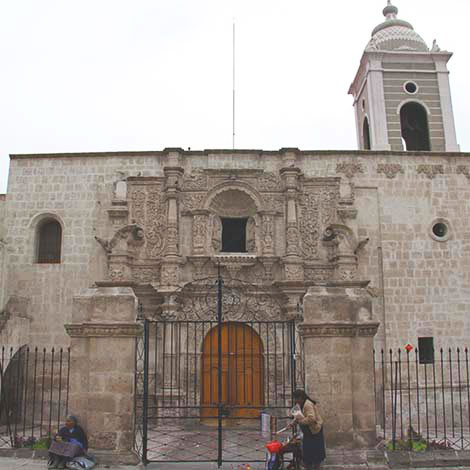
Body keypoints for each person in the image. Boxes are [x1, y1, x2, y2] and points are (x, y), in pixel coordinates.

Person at [291, 389, 326, 470]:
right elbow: (299, 415)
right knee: (308, 454)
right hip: (309, 433)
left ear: (301, 397)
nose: (295, 400)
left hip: (315, 431)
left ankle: (315, 467)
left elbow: (311, 418)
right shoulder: (301, 404)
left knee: (316, 454)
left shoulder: (307, 404)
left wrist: (300, 422)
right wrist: (293, 423)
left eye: (296, 398)